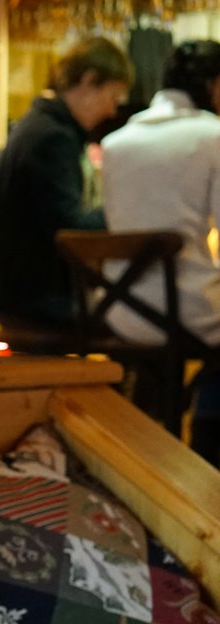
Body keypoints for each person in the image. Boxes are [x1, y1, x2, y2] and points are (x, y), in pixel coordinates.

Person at [101, 39, 220, 465]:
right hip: (184, 314)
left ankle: (155, 445)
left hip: (118, 312)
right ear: (211, 85)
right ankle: (208, 455)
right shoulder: (213, 136)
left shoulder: (117, 142)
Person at [0, 35, 132, 329]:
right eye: (112, 97)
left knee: (134, 321)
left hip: (14, 292)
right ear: (88, 81)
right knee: (140, 326)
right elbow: (70, 227)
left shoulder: (39, 124)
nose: (112, 111)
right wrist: (126, 211)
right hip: (34, 297)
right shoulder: (53, 137)